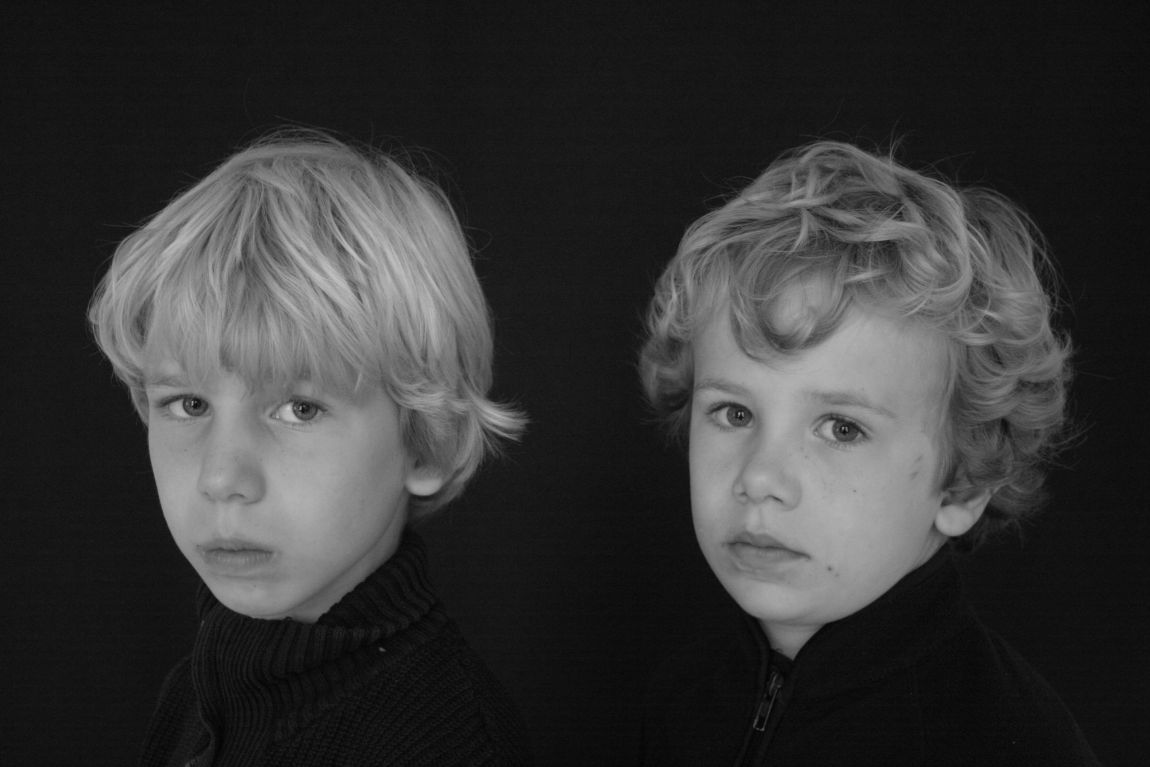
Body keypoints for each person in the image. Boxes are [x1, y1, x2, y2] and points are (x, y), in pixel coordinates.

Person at [637, 141, 1098, 765]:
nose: (761, 477)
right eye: (735, 414)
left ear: (962, 485)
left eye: (842, 429)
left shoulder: (1003, 743)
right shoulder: (684, 699)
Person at [88, 130, 529, 765]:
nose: (221, 478)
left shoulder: (442, 744)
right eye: (189, 404)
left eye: (300, 409)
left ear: (429, 445)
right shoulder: (201, 687)